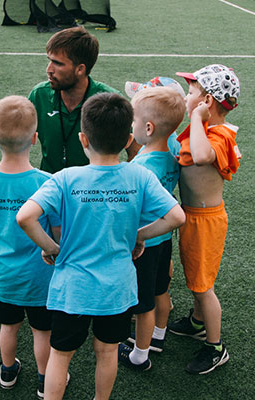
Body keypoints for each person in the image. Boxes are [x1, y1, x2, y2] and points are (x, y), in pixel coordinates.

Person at [16, 92, 185, 400]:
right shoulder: (141, 175)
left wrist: (52, 247)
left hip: (72, 289)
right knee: (107, 352)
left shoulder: (66, 178)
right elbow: (176, 216)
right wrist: (140, 236)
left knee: (60, 355)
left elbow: (25, 217)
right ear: (127, 139)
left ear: (83, 139)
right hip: (117, 290)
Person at [0, 95, 61, 397]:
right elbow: (57, 232)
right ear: (36, 138)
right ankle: (43, 379)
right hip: (41, 276)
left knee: (8, 327)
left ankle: (8, 371)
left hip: (4, 273)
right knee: (42, 330)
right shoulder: (48, 182)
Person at [168, 64, 241, 374]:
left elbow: (201, 157)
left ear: (207, 102)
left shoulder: (218, 135)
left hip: (205, 222)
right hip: (194, 217)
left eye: (191, 93)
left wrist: (197, 119)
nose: (186, 97)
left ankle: (215, 347)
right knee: (196, 276)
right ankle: (198, 323)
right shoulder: (208, 132)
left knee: (202, 286)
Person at [118, 87, 185, 370]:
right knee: (161, 289)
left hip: (145, 244)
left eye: (133, 121)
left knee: (143, 304)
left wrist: (137, 236)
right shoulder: (173, 153)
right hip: (164, 240)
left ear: (147, 127)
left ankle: (140, 355)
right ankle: (158, 335)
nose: (131, 127)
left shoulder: (142, 166)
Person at [28, 26, 120, 173]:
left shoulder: (109, 101)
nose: (49, 70)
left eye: (57, 63)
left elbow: (135, 150)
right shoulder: (39, 95)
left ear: (80, 69)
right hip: (51, 188)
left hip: (92, 190)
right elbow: (16, 141)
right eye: (49, 61)